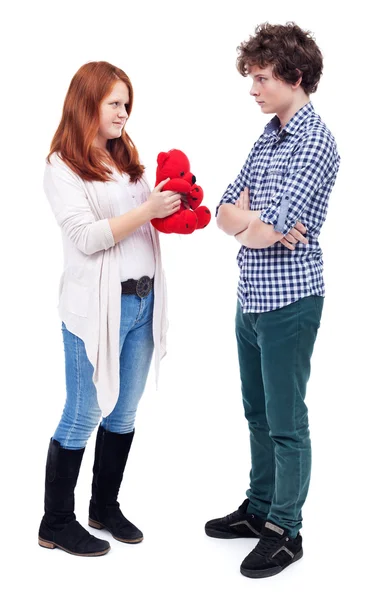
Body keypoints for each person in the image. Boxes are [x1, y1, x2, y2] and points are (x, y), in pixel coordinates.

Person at [205, 23, 340, 578]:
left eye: (262, 78)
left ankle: (286, 529)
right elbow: (223, 209)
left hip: (290, 303)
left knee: (286, 421)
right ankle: (259, 508)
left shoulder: (317, 140)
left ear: (295, 76)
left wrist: (256, 221)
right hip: (250, 297)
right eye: (252, 77)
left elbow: (271, 227)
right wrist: (250, 220)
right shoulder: (269, 135)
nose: (253, 89)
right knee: (256, 412)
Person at [38, 61, 181, 557]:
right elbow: (87, 237)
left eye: (127, 104)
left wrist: (176, 206)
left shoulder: (126, 163)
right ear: (88, 104)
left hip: (142, 303)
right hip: (95, 310)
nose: (123, 112)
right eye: (114, 103)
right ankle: (55, 522)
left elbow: (146, 228)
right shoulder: (62, 165)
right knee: (83, 412)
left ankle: (104, 507)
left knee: (123, 412)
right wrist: (147, 210)